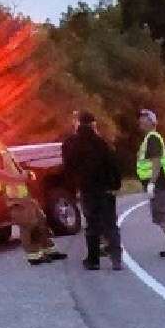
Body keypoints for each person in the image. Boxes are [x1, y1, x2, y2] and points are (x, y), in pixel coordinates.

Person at [0, 121, 66, 266]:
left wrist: (25, 174)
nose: (12, 134)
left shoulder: (3, 147)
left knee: (40, 219)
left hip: (22, 192)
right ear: (2, 131)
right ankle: (34, 256)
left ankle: (49, 250)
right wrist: (17, 178)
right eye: (9, 131)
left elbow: (11, 167)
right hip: (14, 194)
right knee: (28, 224)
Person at [62, 111, 122, 271]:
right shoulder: (102, 142)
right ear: (93, 124)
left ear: (78, 123)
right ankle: (116, 259)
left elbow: (68, 169)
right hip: (105, 189)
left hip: (87, 190)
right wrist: (115, 185)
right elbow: (113, 165)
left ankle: (93, 260)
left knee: (92, 224)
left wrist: (73, 189)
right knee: (110, 224)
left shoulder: (70, 144)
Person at [136, 109, 165, 259]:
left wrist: (151, 183)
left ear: (152, 122)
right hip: (160, 184)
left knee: (162, 214)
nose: (141, 122)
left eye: (144, 119)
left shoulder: (153, 138)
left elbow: (156, 161)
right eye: (140, 119)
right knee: (160, 215)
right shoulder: (149, 139)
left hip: (159, 184)